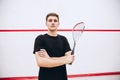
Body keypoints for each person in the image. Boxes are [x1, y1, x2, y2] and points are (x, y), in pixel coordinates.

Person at [33, 12, 74, 80]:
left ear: (58, 24)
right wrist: (65, 59)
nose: (53, 22)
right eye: (50, 20)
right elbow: (41, 62)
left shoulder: (63, 39)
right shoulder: (40, 39)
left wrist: (49, 59)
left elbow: (70, 61)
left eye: (55, 20)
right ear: (46, 23)